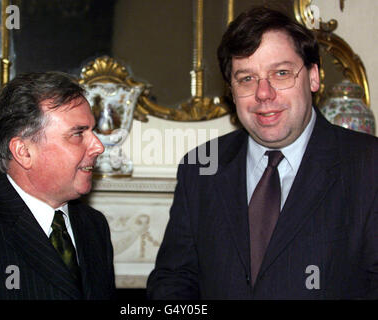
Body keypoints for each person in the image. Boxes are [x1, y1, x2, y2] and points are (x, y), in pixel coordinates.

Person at [147, 7, 378, 299]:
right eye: (247, 79)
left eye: (281, 73)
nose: (263, 93)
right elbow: (173, 280)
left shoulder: (368, 166)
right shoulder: (201, 166)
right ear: (231, 90)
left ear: (313, 78)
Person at [0, 71, 116, 299]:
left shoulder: (94, 226)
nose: (98, 146)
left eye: (92, 131)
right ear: (24, 152)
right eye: (78, 134)